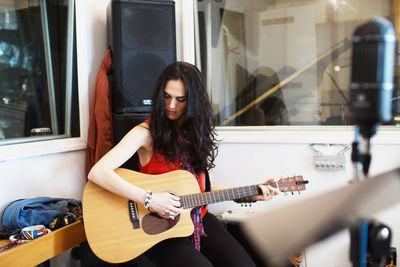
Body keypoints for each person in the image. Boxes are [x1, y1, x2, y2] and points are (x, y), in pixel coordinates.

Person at [88, 61, 279, 267]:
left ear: (194, 102)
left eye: (180, 100)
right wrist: (150, 199)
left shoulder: (199, 136)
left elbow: (206, 188)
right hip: (159, 228)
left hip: (198, 219)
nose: (171, 105)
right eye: (167, 97)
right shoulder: (144, 133)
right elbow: (98, 172)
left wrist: (248, 194)